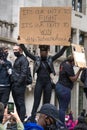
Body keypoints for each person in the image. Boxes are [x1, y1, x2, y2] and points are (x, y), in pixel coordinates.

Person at [19, 42, 68, 122]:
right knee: (36, 102)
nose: (42, 53)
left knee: (47, 103)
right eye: (41, 52)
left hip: (48, 83)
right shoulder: (37, 59)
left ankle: (46, 120)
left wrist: (65, 46)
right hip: (39, 82)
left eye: (44, 52)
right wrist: (22, 44)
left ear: (47, 52)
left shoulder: (50, 59)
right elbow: (27, 53)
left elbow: (59, 54)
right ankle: (32, 119)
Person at [55, 55, 83, 124]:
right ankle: (61, 124)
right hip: (64, 88)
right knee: (63, 108)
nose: (74, 65)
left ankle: (59, 123)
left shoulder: (63, 63)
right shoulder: (68, 66)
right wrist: (80, 70)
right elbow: (73, 79)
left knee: (61, 107)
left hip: (59, 86)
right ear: (72, 61)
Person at [11, 44, 29, 122]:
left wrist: (18, 83)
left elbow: (23, 73)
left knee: (21, 103)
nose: (14, 52)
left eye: (16, 50)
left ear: (20, 50)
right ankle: (18, 120)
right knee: (17, 103)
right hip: (15, 84)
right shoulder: (18, 59)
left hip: (19, 85)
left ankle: (21, 121)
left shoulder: (24, 59)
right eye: (13, 50)